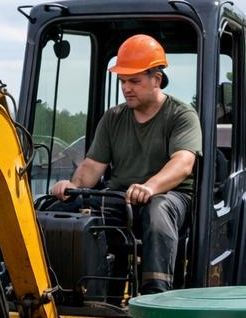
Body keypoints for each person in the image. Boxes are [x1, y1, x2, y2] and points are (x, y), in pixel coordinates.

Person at [49, 34, 202, 294]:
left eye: (134, 81)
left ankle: (156, 295)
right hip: (122, 198)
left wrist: (150, 187)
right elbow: (92, 167)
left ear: (157, 79)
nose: (126, 88)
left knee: (158, 210)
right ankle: (68, 289)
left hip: (170, 197)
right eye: (122, 81)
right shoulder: (113, 118)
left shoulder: (181, 115)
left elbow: (183, 163)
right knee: (60, 210)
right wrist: (72, 187)